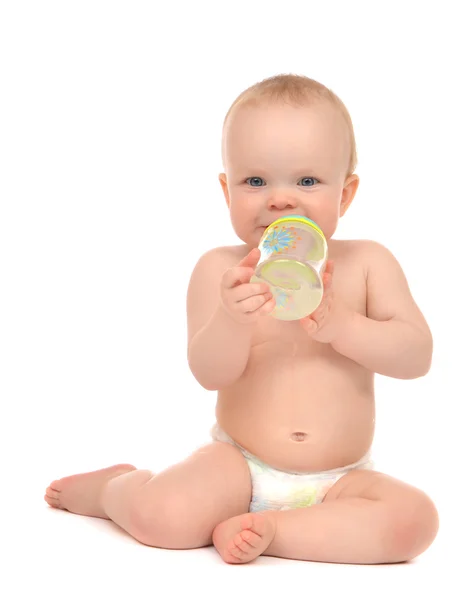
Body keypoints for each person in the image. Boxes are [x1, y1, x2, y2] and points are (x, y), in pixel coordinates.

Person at [45, 74, 439, 565]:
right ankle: (113, 491)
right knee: (163, 517)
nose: (279, 199)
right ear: (226, 190)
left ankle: (273, 529)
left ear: (346, 193)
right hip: (239, 464)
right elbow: (209, 373)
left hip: (341, 479)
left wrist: (344, 327)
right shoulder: (221, 269)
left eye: (307, 180)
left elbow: (416, 355)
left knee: (414, 522)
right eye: (255, 181)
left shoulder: (368, 263)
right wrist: (232, 319)